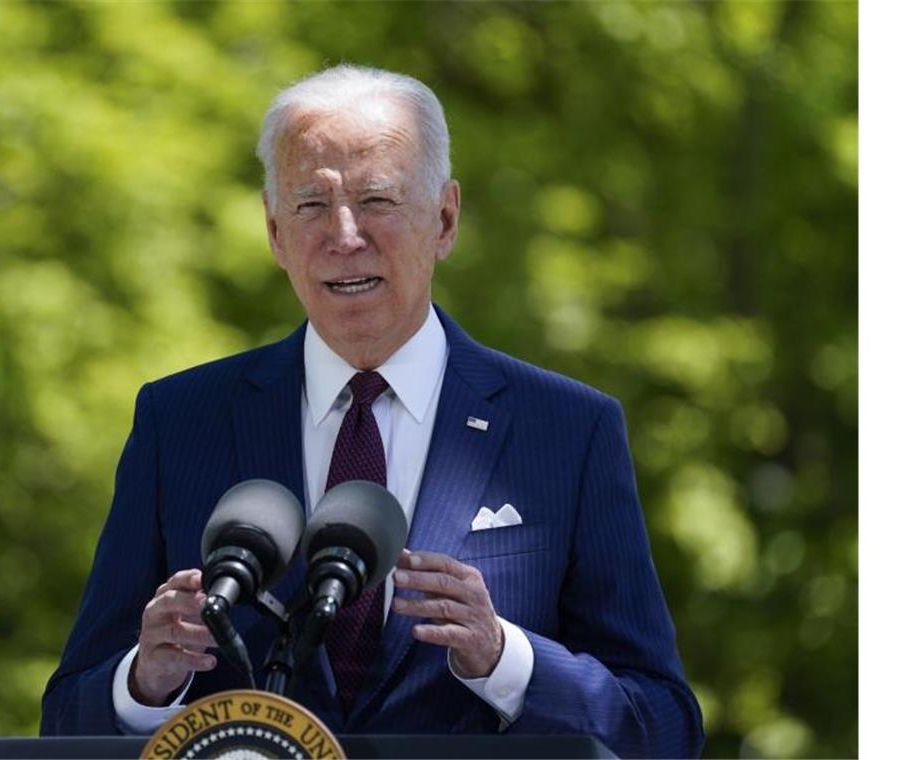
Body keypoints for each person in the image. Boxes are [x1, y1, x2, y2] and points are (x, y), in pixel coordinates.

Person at [41, 64, 704, 758]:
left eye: (378, 199)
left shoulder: (569, 432)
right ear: (274, 232)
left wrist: (504, 659)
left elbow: (664, 728)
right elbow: (64, 722)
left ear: (444, 220)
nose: (345, 235)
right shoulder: (178, 422)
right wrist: (146, 683)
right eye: (310, 206)